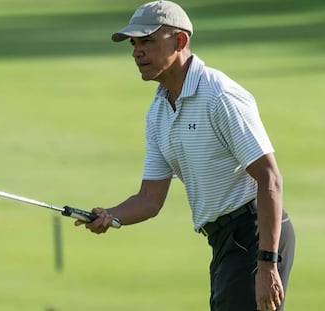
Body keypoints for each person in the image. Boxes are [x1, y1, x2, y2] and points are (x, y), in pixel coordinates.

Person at [74, 1, 295, 310]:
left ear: (180, 41)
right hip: (223, 240)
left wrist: (267, 264)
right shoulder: (158, 111)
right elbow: (150, 199)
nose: (136, 52)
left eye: (147, 41)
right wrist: (111, 216)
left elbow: (270, 178)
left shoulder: (219, 96)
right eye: (134, 43)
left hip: (255, 233)